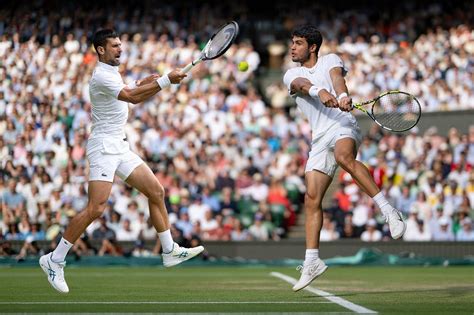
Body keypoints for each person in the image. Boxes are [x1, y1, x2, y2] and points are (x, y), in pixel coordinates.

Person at [39, 29, 204, 294]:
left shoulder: (112, 73)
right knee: (96, 208)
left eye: (120, 45)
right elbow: (131, 98)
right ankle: (54, 259)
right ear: (100, 50)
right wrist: (165, 81)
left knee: (156, 191)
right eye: (114, 46)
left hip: (120, 146)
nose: (120, 49)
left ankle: (169, 249)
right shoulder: (102, 75)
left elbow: (132, 90)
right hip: (104, 147)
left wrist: (154, 80)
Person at [282, 25, 406, 292]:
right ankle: (312, 261)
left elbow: (337, 78)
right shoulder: (291, 73)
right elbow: (301, 86)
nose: (292, 47)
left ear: (312, 47)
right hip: (318, 138)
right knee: (312, 199)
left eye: (298, 43)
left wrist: (342, 95)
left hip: (343, 125)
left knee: (343, 157)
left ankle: (389, 211)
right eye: (292, 42)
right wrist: (319, 93)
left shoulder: (330, 60)